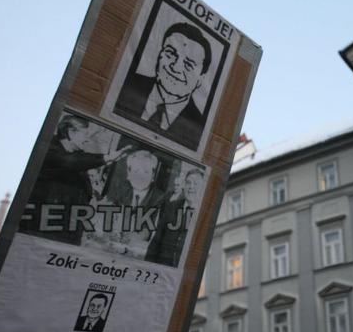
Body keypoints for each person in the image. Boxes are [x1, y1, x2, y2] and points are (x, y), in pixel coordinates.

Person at [22, 115, 129, 244]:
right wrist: (107, 158)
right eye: (85, 134)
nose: (87, 139)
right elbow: (68, 162)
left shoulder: (78, 156)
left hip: (67, 231)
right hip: (41, 230)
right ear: (70, 132)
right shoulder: (50, 148)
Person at [114, 22, 212, 150]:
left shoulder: (201, 128)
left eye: (188, 64)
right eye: (170, 53)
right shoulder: (123, 85)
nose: (176, 67)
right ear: (159, 55)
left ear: (200, 80)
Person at [146, 168, 204, 267]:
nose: (191, 187)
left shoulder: (204, 215)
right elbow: (156, 241)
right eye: (188, 183)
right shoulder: (171, 207)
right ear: (184, 186)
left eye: (196, 184)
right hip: (160, 267)